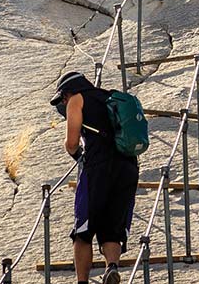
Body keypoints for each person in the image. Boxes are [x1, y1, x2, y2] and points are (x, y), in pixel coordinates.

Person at [52, 71, 138, 284]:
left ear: (67, 93)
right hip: (128, 167)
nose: (63, 104)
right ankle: (112, 267)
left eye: (62, 99)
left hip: (98, 168)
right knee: (112, 230)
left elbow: (72, 142)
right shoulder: (110, 97)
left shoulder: (76, 99)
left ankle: (82, 281)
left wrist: (76, 155)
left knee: (83, 231)